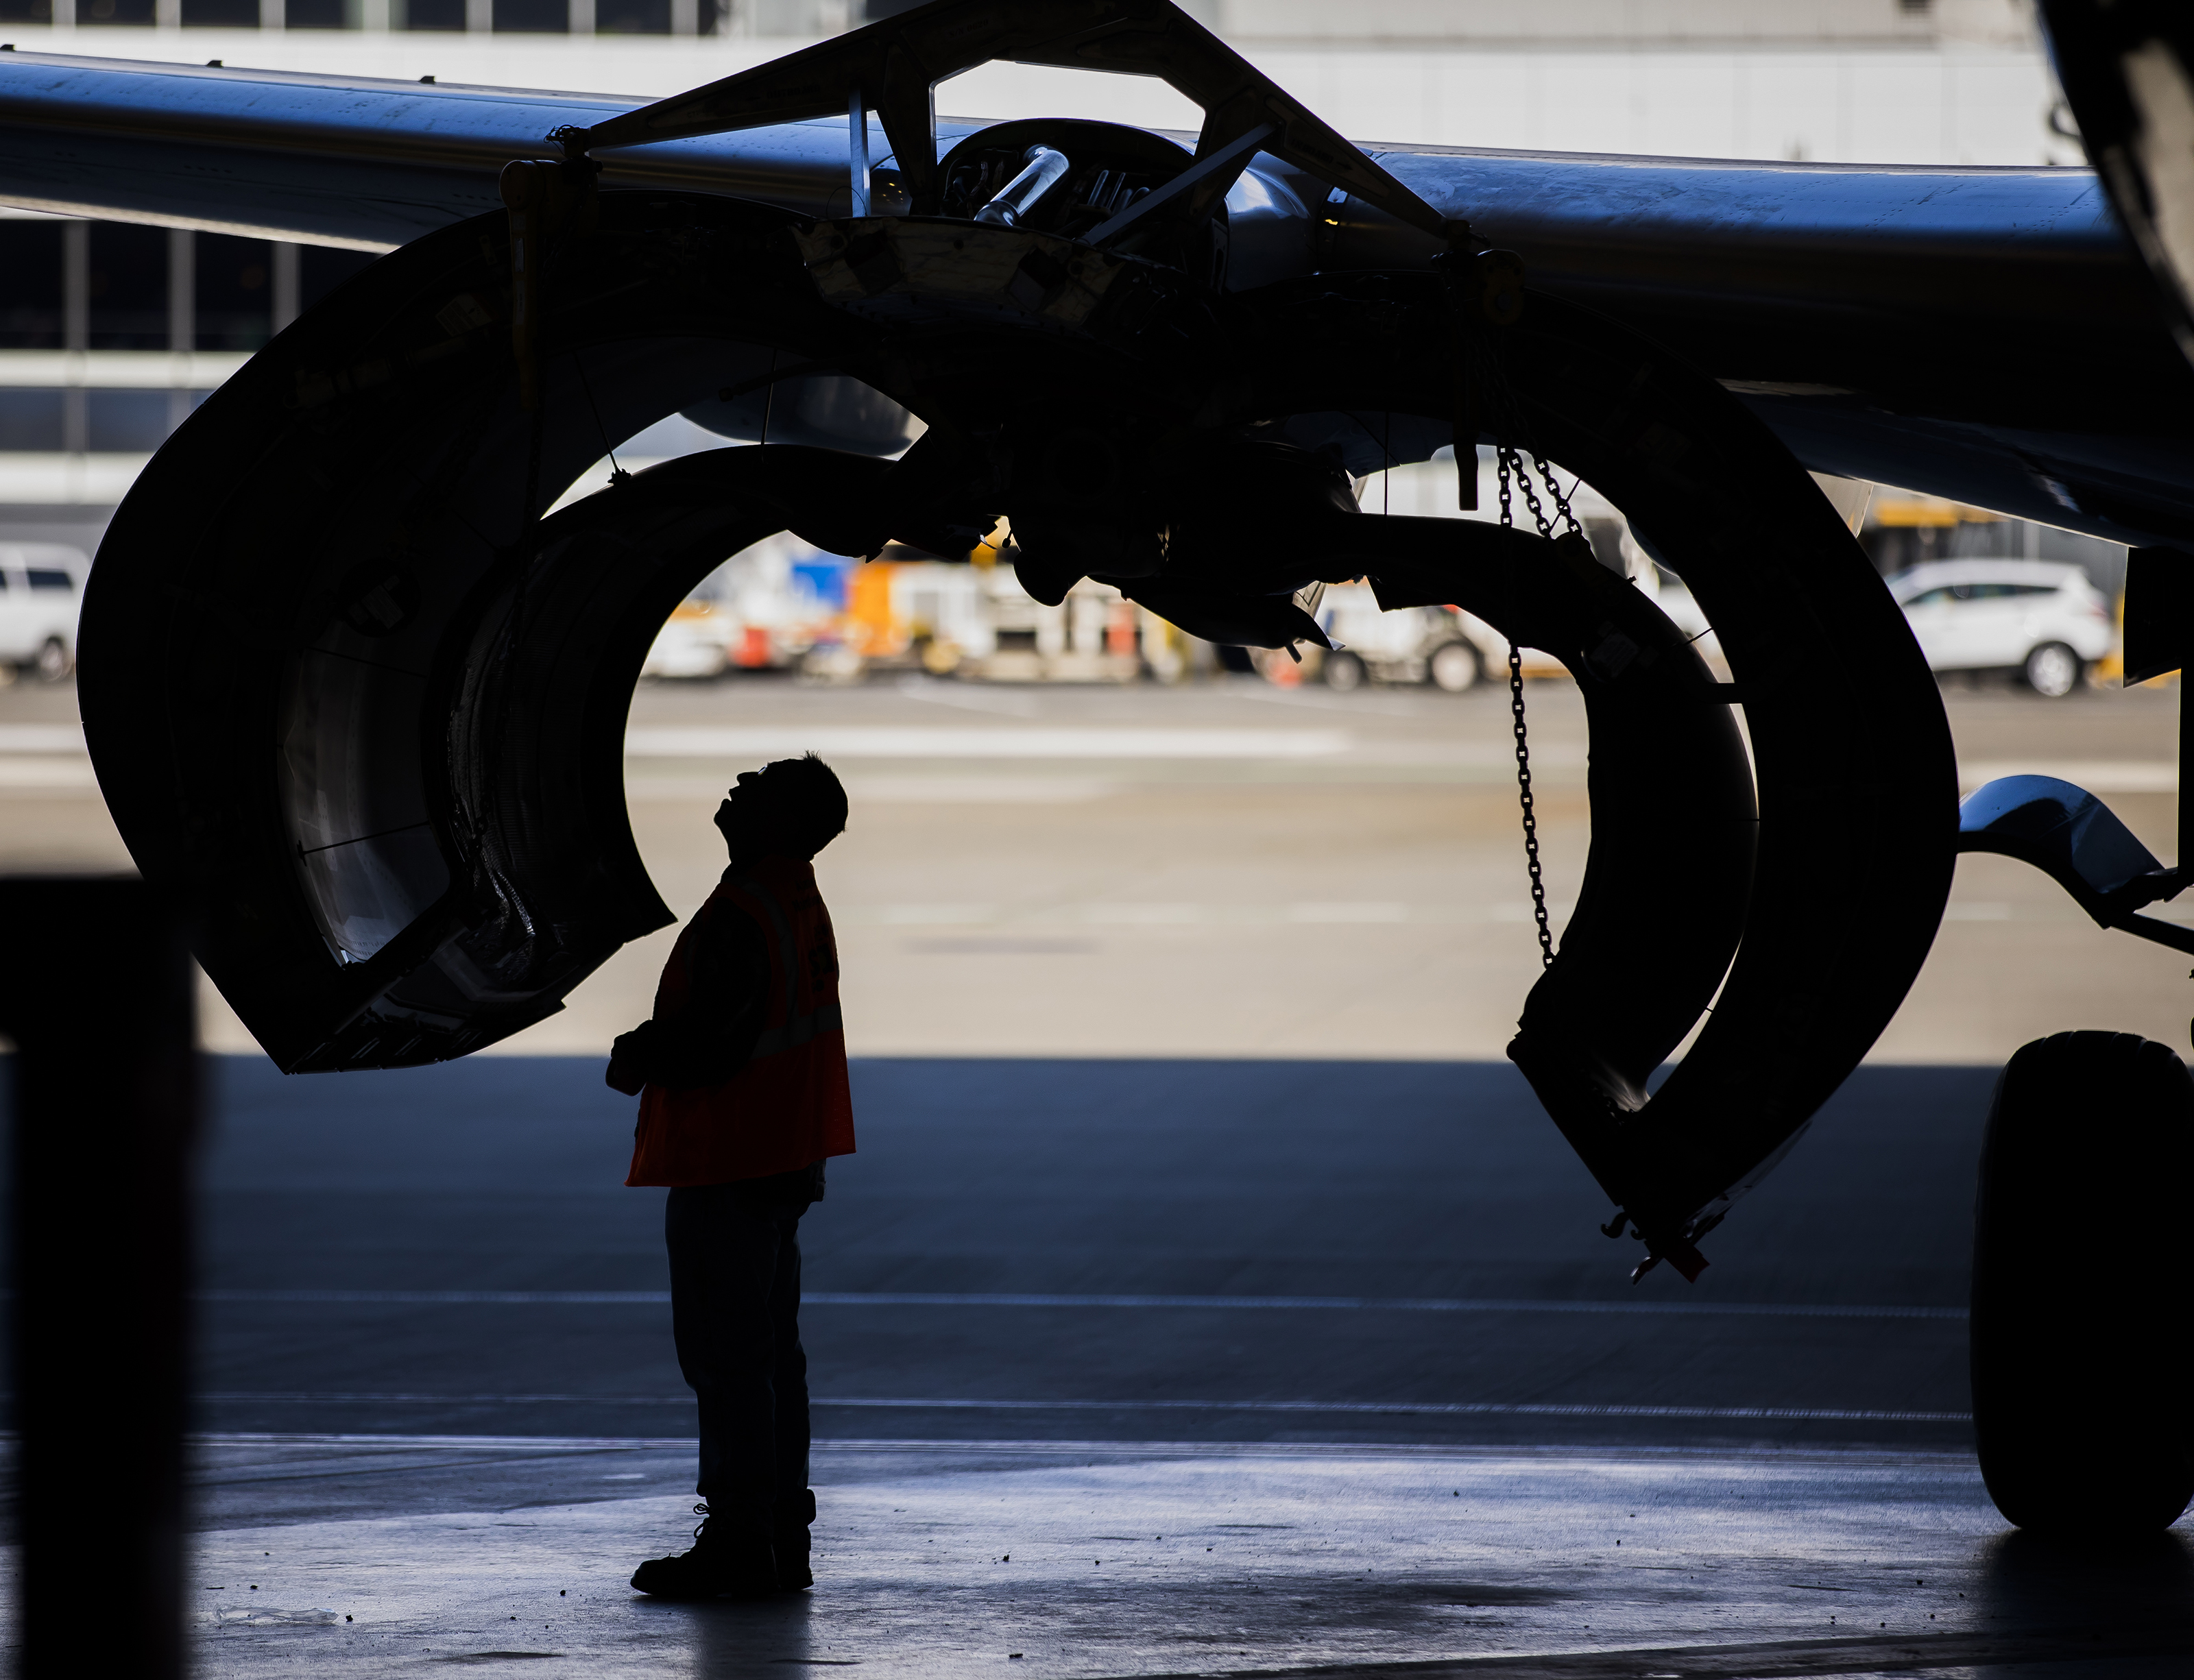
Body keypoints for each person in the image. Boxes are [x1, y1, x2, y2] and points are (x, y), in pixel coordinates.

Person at [606, 753, 856, 1600]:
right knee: (772, 1359)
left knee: (727, 1359)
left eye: (762, 784)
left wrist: (638, 1054)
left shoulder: (745, 909)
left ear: (783, 821)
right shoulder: (792, 897)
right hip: (780, 1158)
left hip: (731, 1162)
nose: (740, 784)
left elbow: (712, 1039)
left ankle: (742, 1538)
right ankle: (781, 1528)